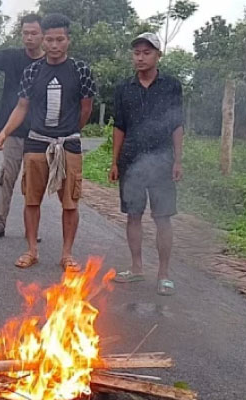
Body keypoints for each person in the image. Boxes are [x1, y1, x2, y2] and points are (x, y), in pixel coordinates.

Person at [0, 14, 96, 270]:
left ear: (68, 40)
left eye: (59, 39)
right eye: (49, 39)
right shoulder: (33, 71)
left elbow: (86, 108)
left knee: (70, 201)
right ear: (43, 39)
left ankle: (67, 254)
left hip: (68, 144)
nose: (54, 45)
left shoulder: (80, 70)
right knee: (31, 199)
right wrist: (5, 132)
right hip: (36, 143)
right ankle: (31, 250)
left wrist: (70, 131)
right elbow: (22, 106)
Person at [108, 32, 184, 296]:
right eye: (137, 53)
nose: (140, 57)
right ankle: (137, 268)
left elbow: (177, 124)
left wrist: (177, 160)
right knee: (133, 215)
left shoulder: (171, 85)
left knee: (163, 218)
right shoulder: (123, 89)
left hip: (162, 160)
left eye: (146, 52)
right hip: (131, 161)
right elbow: (119, 127)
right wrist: (115, 162)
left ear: (158, 55)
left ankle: (164, 274)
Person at [0, 12, 45, 240]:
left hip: (40, 134)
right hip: (13, 132)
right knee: (7, 179)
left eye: (34, 33)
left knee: (34, 184)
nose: (29, 38)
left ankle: (32, 228)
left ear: (43, 35)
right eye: (25, 33)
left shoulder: (50, 63)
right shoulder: (12, 57)